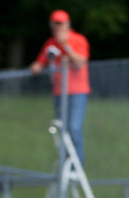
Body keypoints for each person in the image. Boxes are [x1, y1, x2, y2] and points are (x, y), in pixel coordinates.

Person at [30, 10, 90, 165]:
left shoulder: (78, 40)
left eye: (60, 24)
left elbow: (79, 63)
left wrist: (66, 46)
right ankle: (65, 162)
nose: (57, 27)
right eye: (54, 24)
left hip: (77, 91)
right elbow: (39, 63)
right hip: (59, 92)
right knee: (62, 130)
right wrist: (36, 66)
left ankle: (77, 165)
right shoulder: (50, 44)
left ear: (67, 24)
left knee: (74, 128)